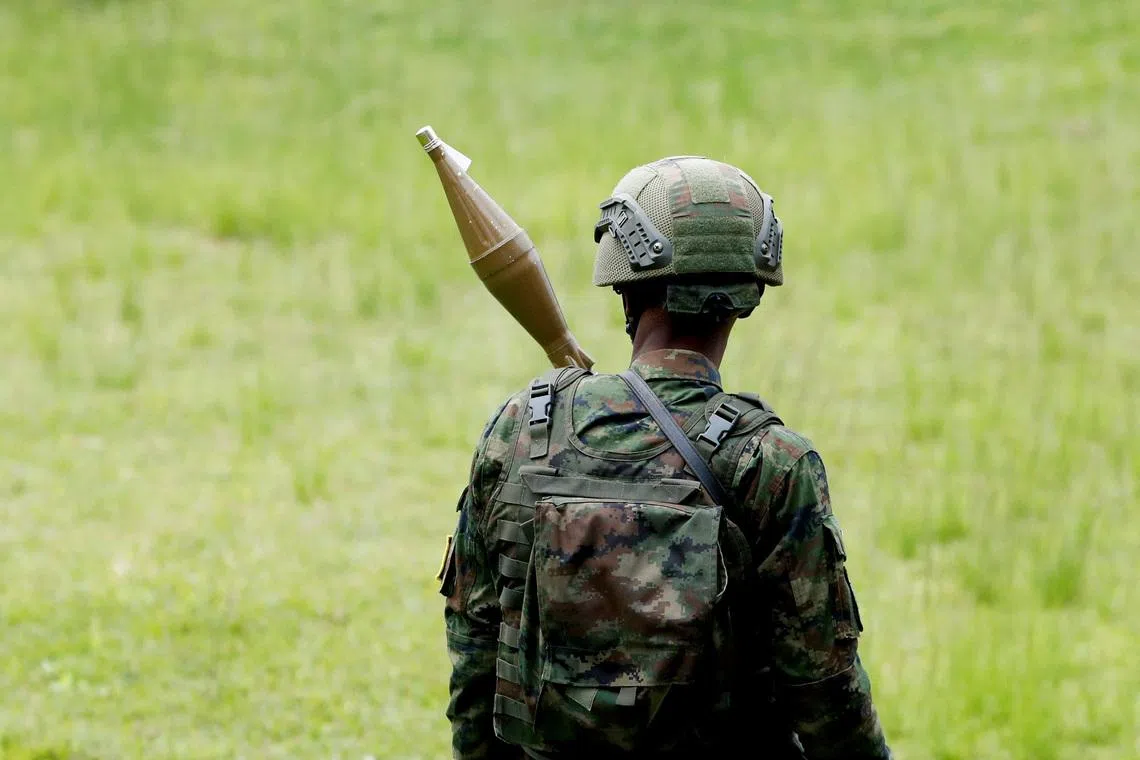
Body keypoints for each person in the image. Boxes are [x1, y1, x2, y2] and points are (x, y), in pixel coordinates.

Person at [440, 156, 892, 759]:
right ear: (748, 294)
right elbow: (826, 696)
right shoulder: (773, 464)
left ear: (623, 285)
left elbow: (475, 650)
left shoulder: (520, 430)